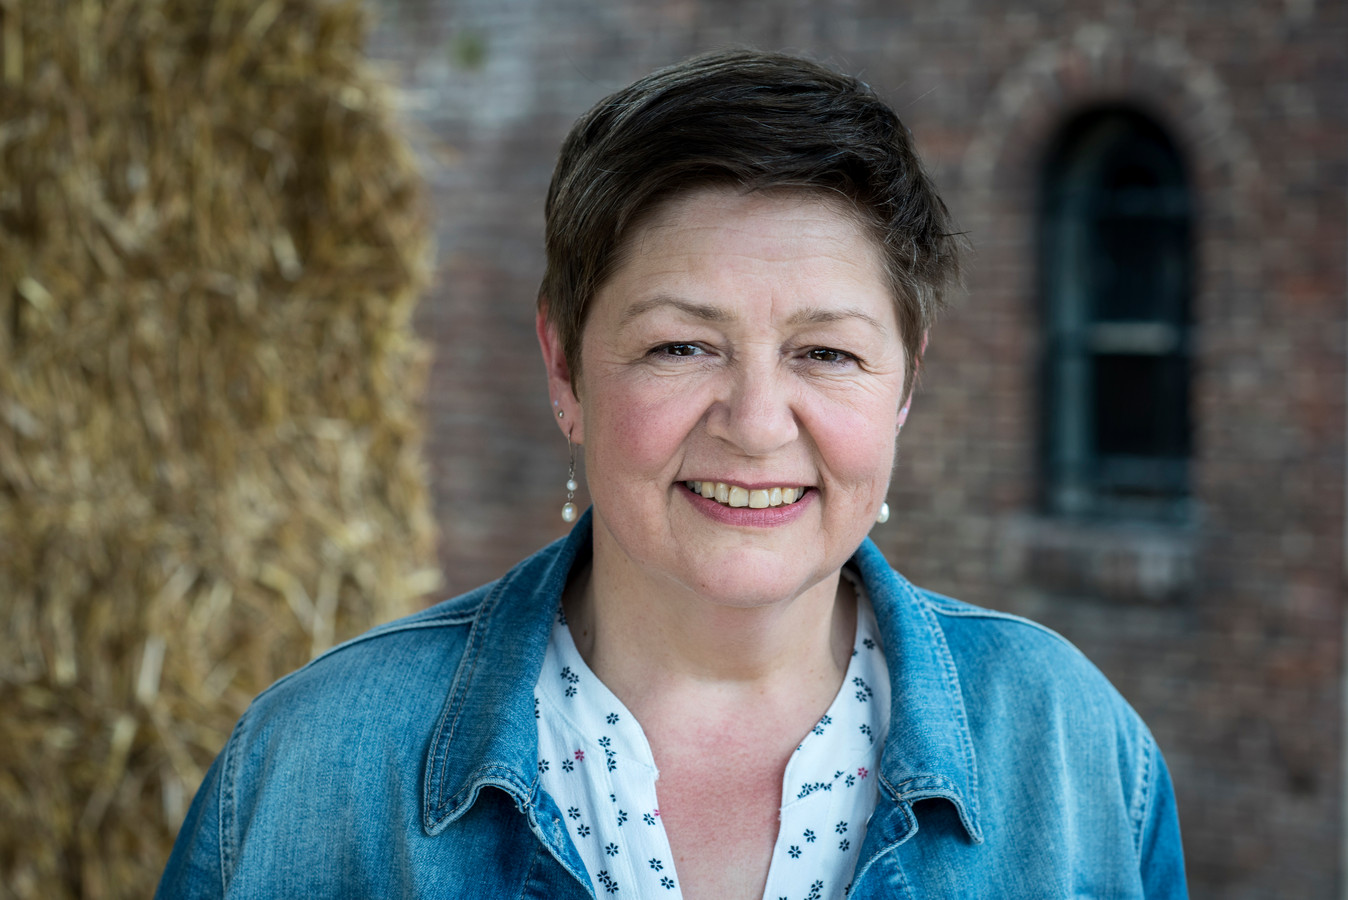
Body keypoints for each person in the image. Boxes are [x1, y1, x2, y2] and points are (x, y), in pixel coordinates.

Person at [158, 49, 1187, 899]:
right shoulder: (311, 772)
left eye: (826, 353)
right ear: (564, 368)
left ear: (905, 386)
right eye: (680, 347)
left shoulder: (1074, 752)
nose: (756, 424)